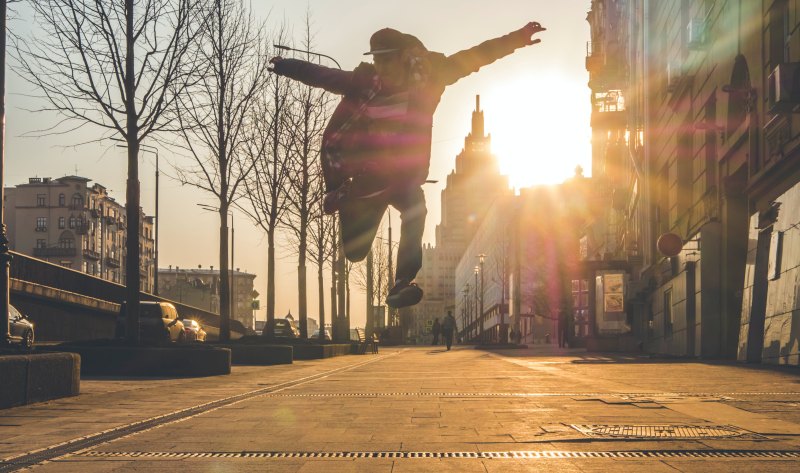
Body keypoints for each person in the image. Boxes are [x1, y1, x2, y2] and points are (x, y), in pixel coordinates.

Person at [269, 22, 546, 309]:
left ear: (404, 56)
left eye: (386, 59)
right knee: (354, 253)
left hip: (403, 177)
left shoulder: (430, 77)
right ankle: (347, 199)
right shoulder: (364, 83)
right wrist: (284, 65)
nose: (380, 66)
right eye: (376, 59)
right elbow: (321, 75)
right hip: (370, 176)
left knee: (416, 209)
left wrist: (518, 38)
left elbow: (475, 57)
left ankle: (402, 282)